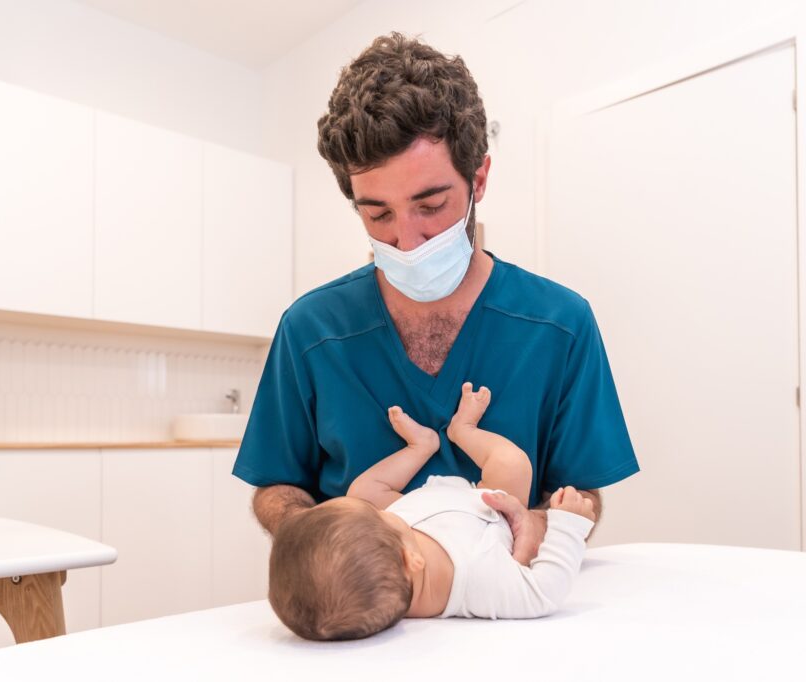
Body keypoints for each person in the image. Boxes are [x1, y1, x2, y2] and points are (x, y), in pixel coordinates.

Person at [233, 32, 638, 563]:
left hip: (506, 591)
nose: (406, 241)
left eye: (430, 205)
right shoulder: (312, 330)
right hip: (365, 600)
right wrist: (322, 544)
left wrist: (540, 525)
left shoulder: (560, 324)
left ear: (478, 179)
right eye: (378, 213)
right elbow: (277, 486)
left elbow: (582, 491)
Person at [269, 382, 596, 640]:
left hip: (424, 503)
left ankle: (421, 446)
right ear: (411, 559)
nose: (379, 512)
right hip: (488, 503)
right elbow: (544, 592)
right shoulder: (480, 583)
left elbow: (373, 528)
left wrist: (378, 514)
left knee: (361, 492)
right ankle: (464, 430)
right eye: (381, 518)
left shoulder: (386, 564)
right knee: (513, 464)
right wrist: (568, 526)